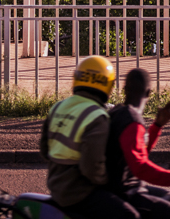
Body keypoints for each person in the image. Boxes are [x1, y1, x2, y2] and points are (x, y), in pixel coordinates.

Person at [41, 56, 138, 219]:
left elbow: (45, 150)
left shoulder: (58, 107)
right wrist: (107, 181)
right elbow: (91, 167)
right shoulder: (96, 116)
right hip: (80, 192)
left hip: (56, 186)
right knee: (130, 215)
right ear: (108, 84)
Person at [107, 69, 170, 219]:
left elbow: (137, 152)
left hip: (123, 188)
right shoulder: (132, 121)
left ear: (124, 90)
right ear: (149, 93)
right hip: (125, 192)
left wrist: (157, 126)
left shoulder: (118, 112)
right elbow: (140, 167)